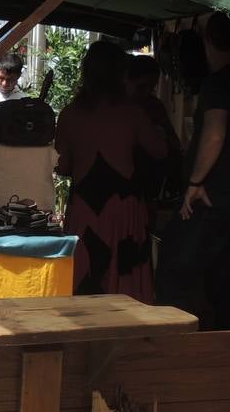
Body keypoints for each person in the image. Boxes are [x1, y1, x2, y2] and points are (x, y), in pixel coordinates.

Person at [156, 12, 230, 329]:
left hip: (210, 196)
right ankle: (223, 343)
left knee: (174, 272)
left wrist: (196, 181)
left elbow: (215, 132)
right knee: (227, 280)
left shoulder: (218, 83)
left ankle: (173, 343)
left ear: (209, 41)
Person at [55, 40, 165, 301]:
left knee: (86, 277)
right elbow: (161, 151)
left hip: (85, 207)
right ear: (120, 73)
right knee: (125, 280)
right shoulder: (133, 113)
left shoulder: (70, 114)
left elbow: (62, 166)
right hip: (124, 207)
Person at [126, 54, 182, 203]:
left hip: (148, 188)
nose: (146, 93)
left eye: (151, 88)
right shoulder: (118, 107)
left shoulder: (154, 106)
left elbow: (174, 143)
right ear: (127, 81)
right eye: (141, 87)